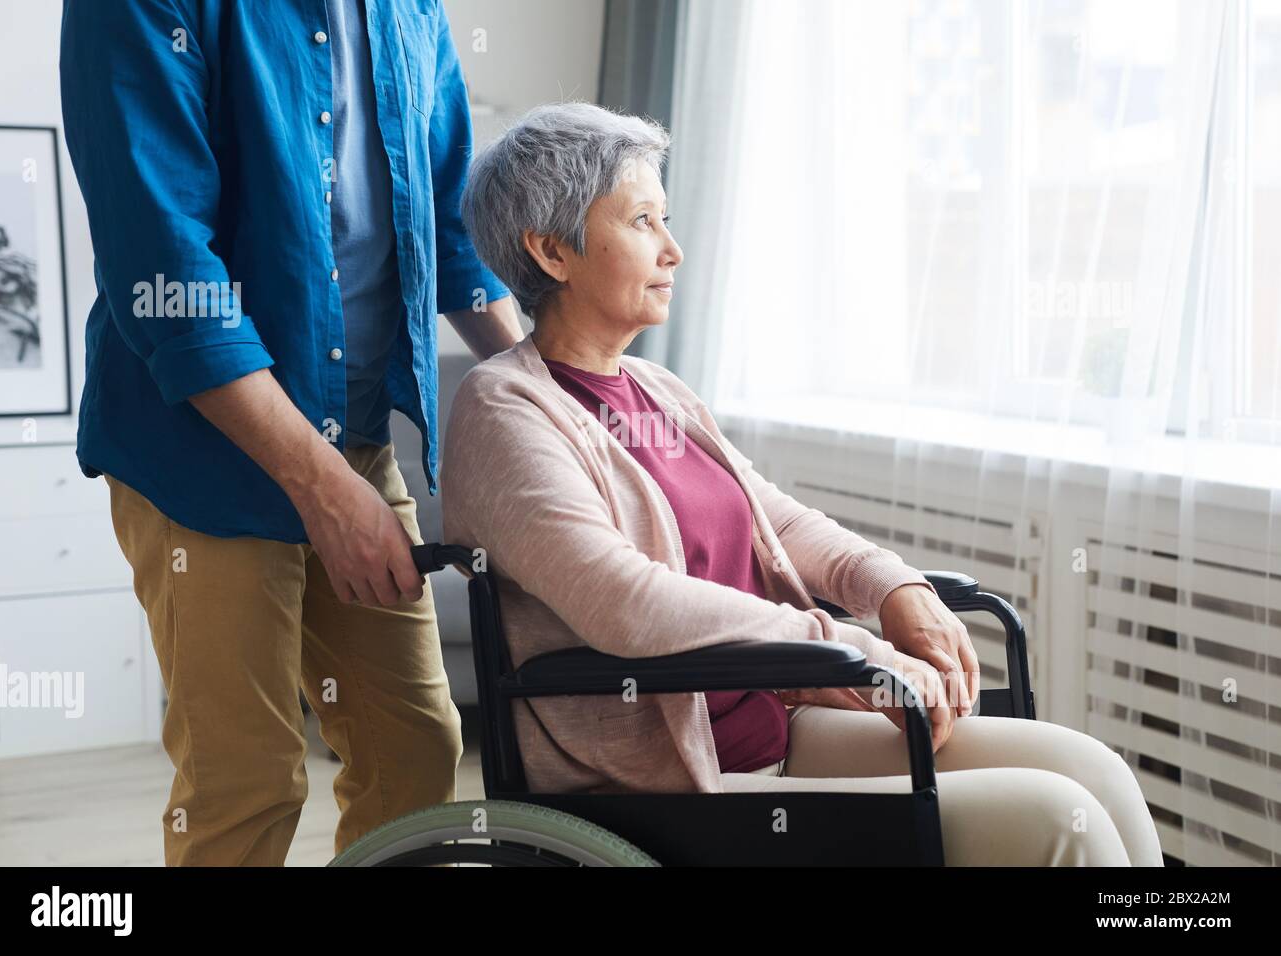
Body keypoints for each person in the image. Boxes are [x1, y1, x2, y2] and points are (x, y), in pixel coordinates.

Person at [441, 101, 1165, 865]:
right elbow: (625, 603)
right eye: (644, 220)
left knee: (1094, 773)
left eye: (667, 218)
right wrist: (851, 655)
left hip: (773, 732)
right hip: (672, 782)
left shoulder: (658, 390)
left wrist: (895, 590)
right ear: (553, 251)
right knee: (1056, 818)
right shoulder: (505, 410)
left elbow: (777, 522)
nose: (674, 250)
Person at [59, 0, 523, 866]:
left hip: (357, 436)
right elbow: (166, 266)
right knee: (248, 780)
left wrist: (565, 390)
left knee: (415, 750)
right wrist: (320, 489)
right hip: (202, 453)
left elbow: (452, 225)